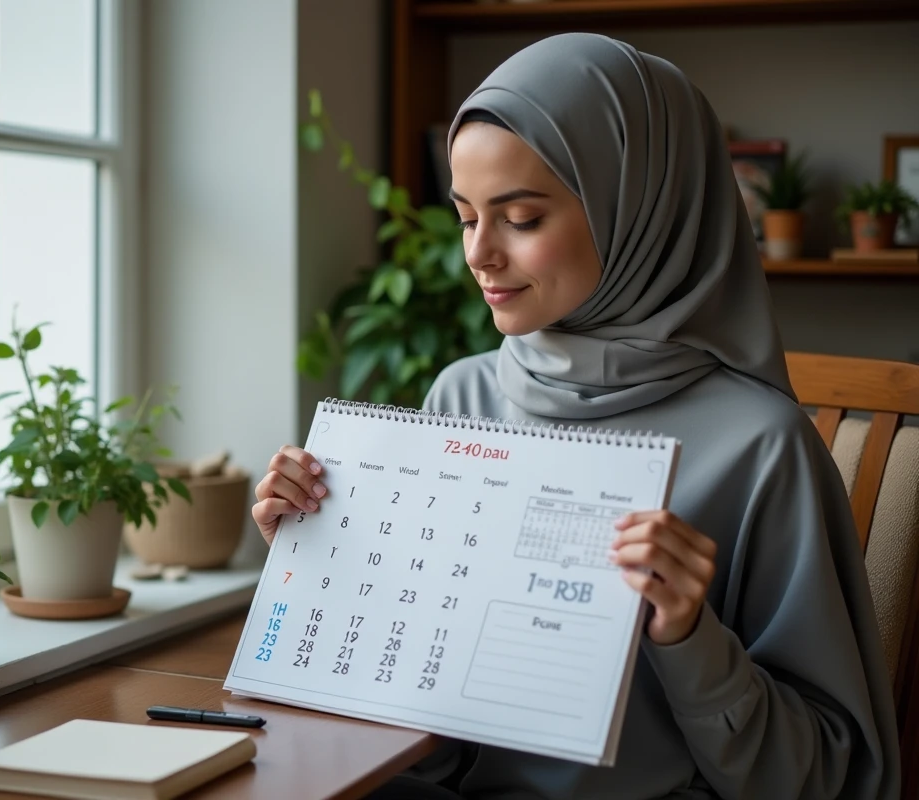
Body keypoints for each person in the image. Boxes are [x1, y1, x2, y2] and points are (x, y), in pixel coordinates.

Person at [250, 32, 901, 800]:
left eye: (520, 218)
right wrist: (322, 565)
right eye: (465, 217)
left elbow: (825, 780)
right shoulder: (464, 400)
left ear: (638, 209)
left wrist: (691, 639)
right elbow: (422, 729)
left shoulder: (764, 447)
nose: (479, 255)